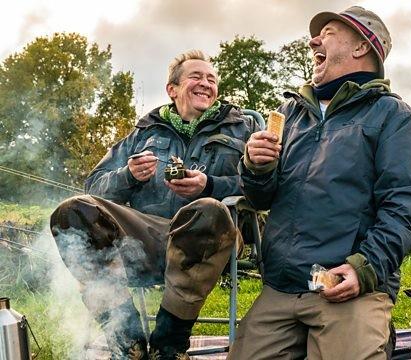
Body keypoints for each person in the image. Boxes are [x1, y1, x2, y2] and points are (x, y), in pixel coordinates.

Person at [228, 6, 411, 360]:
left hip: (346, 285)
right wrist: (256, 167)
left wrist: (364, 268)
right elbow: (261, 198)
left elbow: (407, 206)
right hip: (283, 286)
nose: (313, 41)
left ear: (361, 47)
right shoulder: (292, 114)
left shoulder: (393, 116)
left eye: (329, 33)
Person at [49, 50, 259, 360]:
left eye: (212, 79)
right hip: (148, 234)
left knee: (209, 209)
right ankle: (126, 336)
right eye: (196, 77)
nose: (206, 83)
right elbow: (94, 186)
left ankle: (169, 343)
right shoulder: (144, 132)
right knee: (72, 210)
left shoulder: (241, 128)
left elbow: (262, 187)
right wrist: (128, 176)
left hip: (210, 236)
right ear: (172, 89)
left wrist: (209, 185)